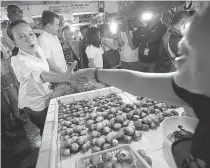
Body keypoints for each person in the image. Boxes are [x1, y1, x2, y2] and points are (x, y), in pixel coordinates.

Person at [75, 4, 210, 167]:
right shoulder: (196, 87)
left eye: (189, 54)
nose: (178, 60)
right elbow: (135, 82)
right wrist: (93, 73)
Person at [7, 20, 84, 136]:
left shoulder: (38, 49)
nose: (28, 39)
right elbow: (40, 74)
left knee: (56, 125)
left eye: (30, 34)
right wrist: (63, 77)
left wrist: (63, 74)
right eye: (21, 36)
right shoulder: (17, 60)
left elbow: (46, 69)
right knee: (47, 130)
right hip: (34, 104)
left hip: (47, 95)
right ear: (14, 42)